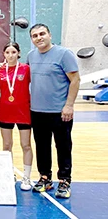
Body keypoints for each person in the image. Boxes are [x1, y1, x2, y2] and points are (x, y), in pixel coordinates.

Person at [27, 24, 79, 198]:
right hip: (37, 111)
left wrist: (69, 105)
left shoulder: (64, 54)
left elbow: (75, 80)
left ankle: (64, 180)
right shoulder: (31, 56)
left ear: (49, 35)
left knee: (63, 146)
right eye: (35, 36)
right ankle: (45, 178)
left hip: (59, 111)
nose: (39, 38)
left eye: (42, 34)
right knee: (41, 146)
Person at [0, 42, 33, 191]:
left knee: (26, 145)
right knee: (6, 145)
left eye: (13, 52)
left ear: (19, 53)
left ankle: (27, 177)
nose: (10, 55)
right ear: (4, 54)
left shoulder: (26, 69)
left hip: (23, 112)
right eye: (7, 52)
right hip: (6, 112)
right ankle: (9, 174)